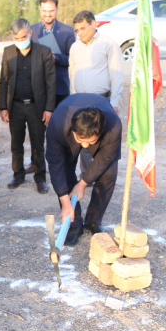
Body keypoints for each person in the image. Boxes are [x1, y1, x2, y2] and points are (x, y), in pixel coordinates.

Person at [46, 93, 122, 246]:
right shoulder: (57, 124)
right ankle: (74, 224)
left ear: (100, 132)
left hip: (100, 131)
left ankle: (94, 220)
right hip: (65, 131)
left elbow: (104, 159)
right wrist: (64, 199)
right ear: (74, 131)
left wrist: (82, 184)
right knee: (66, 172)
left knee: (108, 173)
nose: (85, 146)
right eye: (82, 141)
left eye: (91, 141)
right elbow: (56, 165)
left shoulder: (113, 126)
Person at [0, 18, 56, 194]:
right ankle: (18, 175)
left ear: (30, 33)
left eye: (23, 36)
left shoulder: (44, 52)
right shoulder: (8, 52)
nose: (20, 41)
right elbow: (3, 81)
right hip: (15, 107)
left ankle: (40, 178)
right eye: (16, 38)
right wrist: (3, 107)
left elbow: (51, 83)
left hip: (36, 108)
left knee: (38, 144)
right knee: (16, 143)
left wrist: (49, 109)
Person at [26, 0, 76, 174]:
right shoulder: (31, 30)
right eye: (44, 10)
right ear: (40, 9)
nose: (48, 14)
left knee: (62, 128)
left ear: (56, 9)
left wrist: (56, 58)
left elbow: (74, 58)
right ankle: (36, 163)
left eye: (51, 10)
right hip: (38, 89)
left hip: (61, 88)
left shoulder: (68, 31)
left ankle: (61, 163)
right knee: (36, 129)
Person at [69, 10, 123, 113]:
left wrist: (114, 103)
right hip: (80, 102)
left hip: (101, 101)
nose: (80, 33)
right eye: (77, 30)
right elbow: (72, 74)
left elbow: (116, 75)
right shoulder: (74, 47)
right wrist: (73, 99)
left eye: (83, 28)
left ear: (93, 24)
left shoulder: (108, 44)